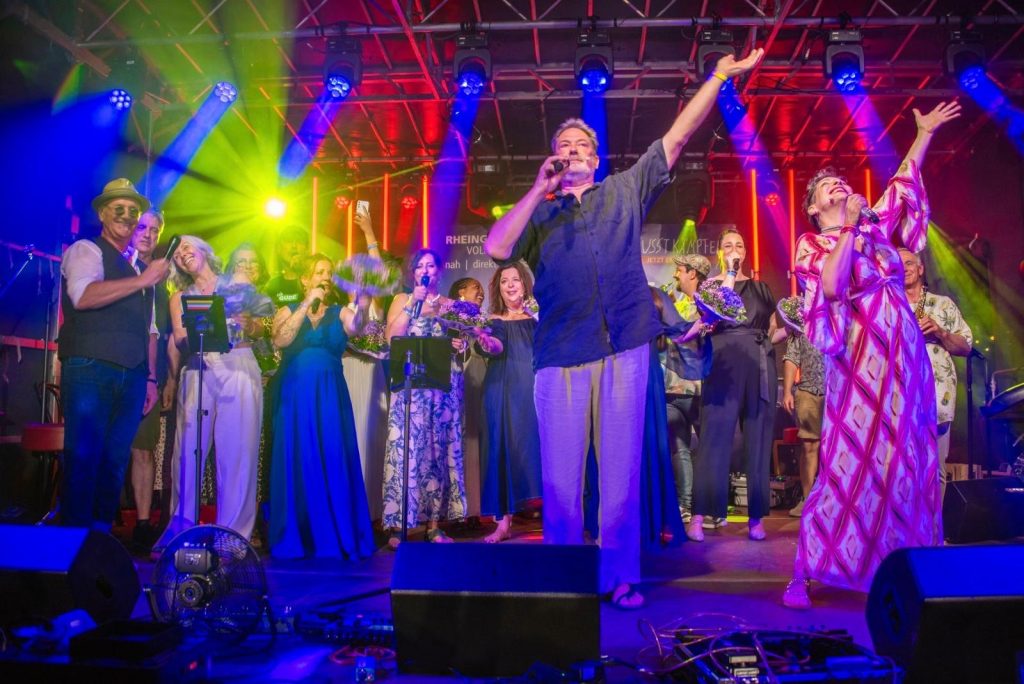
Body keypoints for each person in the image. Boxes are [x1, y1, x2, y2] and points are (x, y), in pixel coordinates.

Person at [483, 47, 765, 608]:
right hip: (560, 351)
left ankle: (618, 577)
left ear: (596, 157)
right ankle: (567, 581)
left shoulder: (623, 190)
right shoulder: (541, 211)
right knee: (561, 479)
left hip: (624, 346)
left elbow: (677, 138)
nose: (571, 151)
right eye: (563, 146)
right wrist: (538, 188)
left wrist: (717, 78)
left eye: (580, 145)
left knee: (619, 475)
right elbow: (495, 247)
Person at [784, 101, 961, 609]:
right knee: (850, 462)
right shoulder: (812, 244)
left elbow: (903, 184)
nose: (837, 186)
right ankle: (806, 571)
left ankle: (903, 567)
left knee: (904, 460)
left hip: (904, 360)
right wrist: (849, 229)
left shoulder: (875, 229)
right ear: (813, 208)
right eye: (826, 187)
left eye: (840, 181)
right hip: (860, 364)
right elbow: (832, 286)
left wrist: (923, 134)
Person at [58, 179, 169, 530]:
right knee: (84, 457)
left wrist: (149, 377)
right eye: (118, 208)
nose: (126, 215)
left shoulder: (136, 268)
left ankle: (100, 540)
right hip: (91, 368)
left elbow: (147, 330)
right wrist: (143, 281)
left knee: (114, 462)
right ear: (103, 214)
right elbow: (83, 296)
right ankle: (74, 544)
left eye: (132, 210)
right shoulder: (86, 250)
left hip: (132, 375)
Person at [155, 236, 275, 547]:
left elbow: (263, 325)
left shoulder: (238, 281)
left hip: (238, 361)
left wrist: (249, 325)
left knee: (237, 454)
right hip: (198, 366)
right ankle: (181, 530)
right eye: (177, 253)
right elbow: (179, 339)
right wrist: (198, 332)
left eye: (187, 247)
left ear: (204, 250)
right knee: (187, 452)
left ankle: (231, 537)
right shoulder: (179, 297)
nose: (182, 254)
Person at [269, 253, 375, 559]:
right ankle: (296, 535)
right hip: (294, 395)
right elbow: (281, 340)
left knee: (332, 454)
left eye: (329, 272)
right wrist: (306, 304)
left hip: (329, 394)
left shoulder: (340, 312)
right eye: (319, 272)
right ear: (305, 279)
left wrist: (363, 301)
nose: (326, 277)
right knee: (298, 456)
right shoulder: (287, 310)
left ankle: (337, 534)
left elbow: (356, 327)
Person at [688, 229, 778, 543]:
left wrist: (793, 330)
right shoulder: (712, 286)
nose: (734, 249)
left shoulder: (761, 288)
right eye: (728, 245)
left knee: (758, 439)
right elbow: (718, 311)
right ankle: (700, 515)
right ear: (719, 252)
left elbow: (773, 329)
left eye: (739, 245)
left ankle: (756, 517)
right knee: (714, 437)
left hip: (758, 363)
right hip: (723, 362)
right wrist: (729, 272)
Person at [381, 250, 475, 546]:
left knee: (437, 452)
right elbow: (391, 338)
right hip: (410, 389)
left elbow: (465, 341)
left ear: (438, 271)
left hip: (441, 389)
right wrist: (413, 303)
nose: (425, 270)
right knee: (406, 451)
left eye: (430, 265)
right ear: (414, 273)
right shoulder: (402, 299)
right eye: (420, 266)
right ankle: (399, 526)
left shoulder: (450, 305)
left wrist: (458, 344)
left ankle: (434, 525)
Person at [477, 262, 541, 543]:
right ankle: (503, 524)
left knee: (541, 450)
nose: (510, 285)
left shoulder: (539, 316)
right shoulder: (494, 320)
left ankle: (560, 520)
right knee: (501, 450)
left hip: (537, 389)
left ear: (525, 284)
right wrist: (485, 341)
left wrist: (536, 314)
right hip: (502, 390)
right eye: (504, 281)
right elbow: (496, 344)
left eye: (515, 280)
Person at [899, 247, 972, 494]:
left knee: (936, 469)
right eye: (899, 265)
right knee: (903, 468)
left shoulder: (942, 304)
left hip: (937, 398)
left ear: (920, 269)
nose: (904, 269)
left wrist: (940, 332)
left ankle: (935, 520)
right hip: (899, 396)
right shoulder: (889, 306)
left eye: (909, 263)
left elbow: (965, 346)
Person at [127, 209, 171, 549]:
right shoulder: (110, 264)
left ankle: (142, 525)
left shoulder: (160, 277)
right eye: (142, 227)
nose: (147, 234)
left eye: (155, 230)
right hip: (109, 369)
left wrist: (158, 380)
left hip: (145, 375)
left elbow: (157, 332)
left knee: (143, 449)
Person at [342, 211, 389, 521]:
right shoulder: (341, 310)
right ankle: (350, 512)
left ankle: (373, 513)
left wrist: (370, 233)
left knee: (374, 441)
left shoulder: (377, 306)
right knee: (352, 441)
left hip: (374, 375)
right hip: (348, 374)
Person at [665, 254, 712, 524]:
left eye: (680, 270)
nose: (676, 275)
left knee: (706, 449)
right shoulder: (675, 303)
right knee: (679, 449)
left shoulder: (708, 305)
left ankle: (708, 507)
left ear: (693, 274)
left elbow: (684, 336)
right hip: (671, 389)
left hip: (700, 390)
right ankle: (686, 505)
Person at [450, 276, 487, 526]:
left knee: (479, 445)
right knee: (464, 442)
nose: (481, 292)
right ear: (461, 291)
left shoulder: (484, 319)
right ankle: (461, 510)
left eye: (483, 289)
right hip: (463, 380)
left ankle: (478, 507)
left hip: (484, 381)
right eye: (476, 288)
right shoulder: (451, 318)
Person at [780, 330, 825, 517]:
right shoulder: (801, 320)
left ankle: (832, 499)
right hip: (808, 390)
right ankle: (808, 499)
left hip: (838, 390)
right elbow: (792, 356)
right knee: (808, 446)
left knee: (836, 447)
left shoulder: (843, 316)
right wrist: (787, 391)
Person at [264, 227, 309, 308]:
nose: (294, 246)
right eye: (288, 241)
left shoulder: (316, 279)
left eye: (299, 241)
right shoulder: (271, 285)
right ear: (279, 249)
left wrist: (300, 271)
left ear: (307, 249)